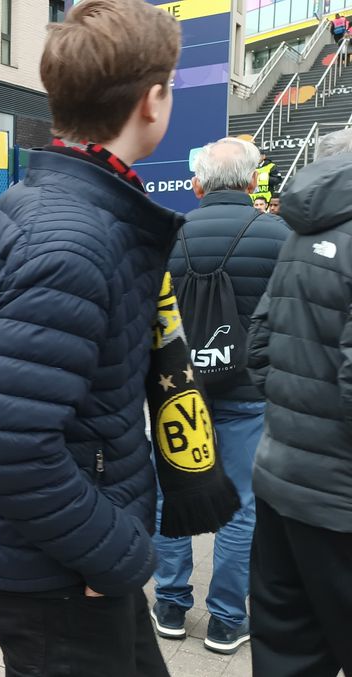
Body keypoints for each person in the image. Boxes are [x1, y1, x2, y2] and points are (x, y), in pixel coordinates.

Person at [0, 0, 182, 673]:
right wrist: (113, 551)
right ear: (151, 100)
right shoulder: (75, 241)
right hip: (58, 569)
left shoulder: (42, 203)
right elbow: (8, 443)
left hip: (62, 550)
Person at [151, 137, 289, 655]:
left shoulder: (168, 236)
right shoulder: (277, 235)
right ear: (253, 182)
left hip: (177, 389)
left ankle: (169, 604)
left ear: (197, 184)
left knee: (169, 493)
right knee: (243, 508)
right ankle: (228, 621)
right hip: (249, 393)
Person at [246, 128, 352, 676]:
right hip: (339, 504)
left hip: (281, 482)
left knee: (287, 655)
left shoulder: (300, 232)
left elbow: (259, 351)